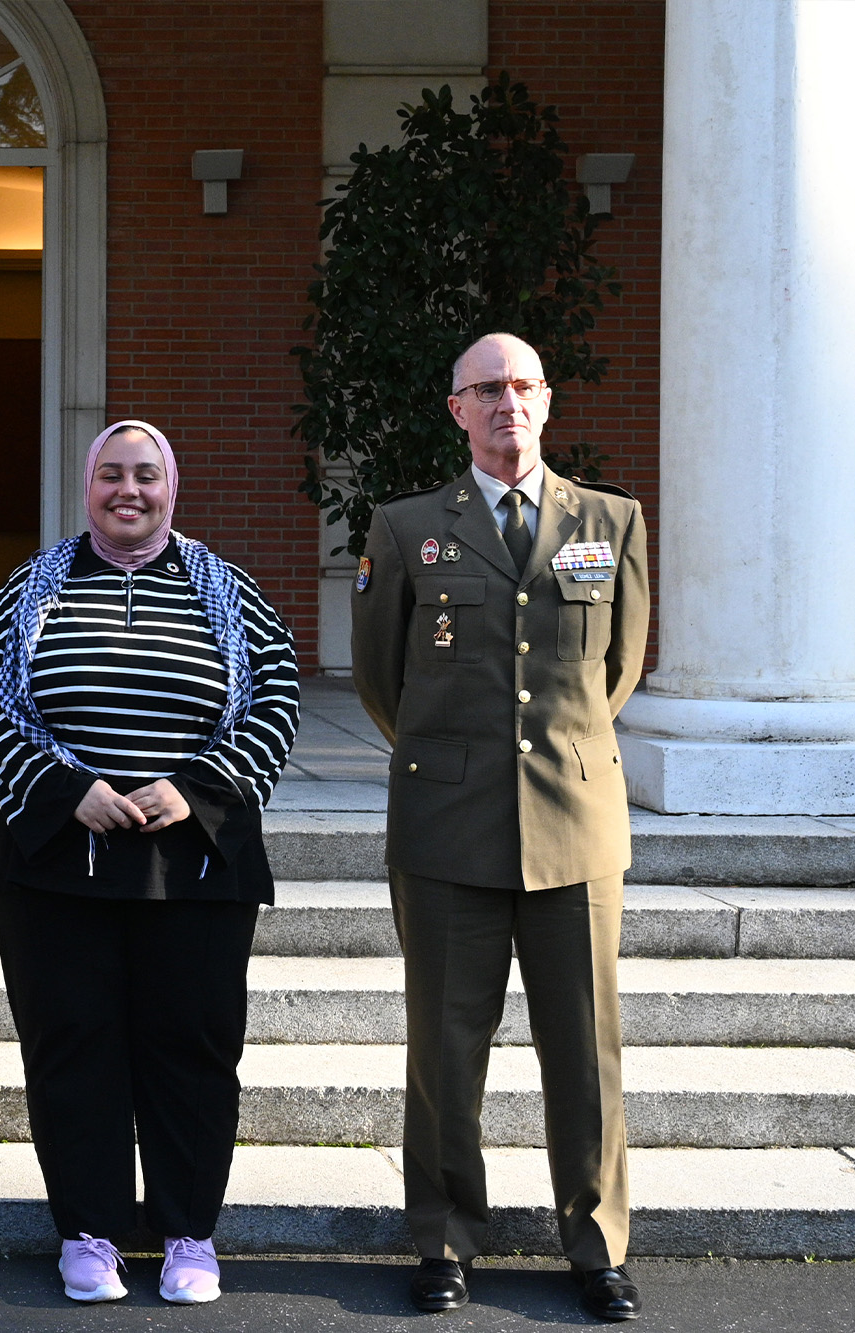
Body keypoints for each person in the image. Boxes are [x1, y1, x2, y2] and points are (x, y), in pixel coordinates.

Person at [0, 419, 299, 1306]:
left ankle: (191, 1231)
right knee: (74, 1044)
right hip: (58, 862)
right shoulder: (32, 585)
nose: (128, 490)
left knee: (192, 1048)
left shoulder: (226, 585)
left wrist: (197, 786)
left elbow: (277, 690)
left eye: (145, 475)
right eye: (110, 474)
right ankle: (90, 1230)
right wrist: (64, 783)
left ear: (170, 487)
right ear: (87, 487)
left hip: (193, 863)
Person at [350, 333, 649, 1323]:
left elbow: (616, 672)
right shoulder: (401, 530)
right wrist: (462, 759)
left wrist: (550, 756)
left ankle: (595, 1245)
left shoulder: (609, 520)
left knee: (585, 1049)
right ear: (455, 409)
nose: (505, 403)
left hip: (574, 822)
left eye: (521, 386)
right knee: (442, 1052)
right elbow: (380, 681)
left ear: (547, 402)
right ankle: (441, 1239)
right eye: (484, 388)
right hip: (445, 828)